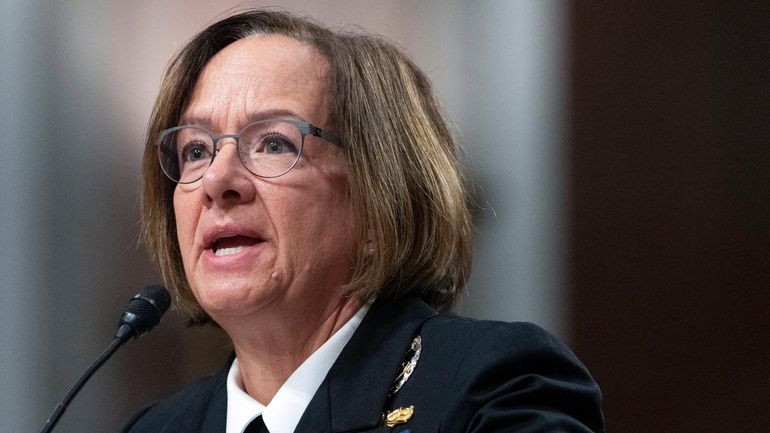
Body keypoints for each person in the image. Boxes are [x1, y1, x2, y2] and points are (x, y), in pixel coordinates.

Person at [122, 9, 604, 433]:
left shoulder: (490, 386)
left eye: (274, 143)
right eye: (196, 150)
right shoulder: (156, 428)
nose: (217, 180)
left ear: (379, 202)